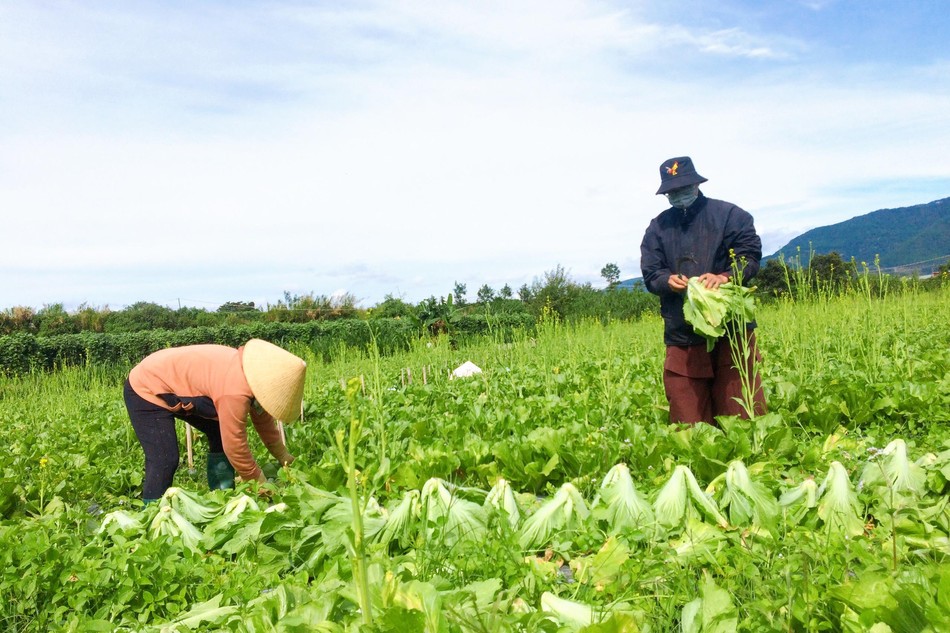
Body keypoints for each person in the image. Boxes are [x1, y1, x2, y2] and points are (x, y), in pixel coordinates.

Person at [639, 156, 767, 425]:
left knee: (741, 409)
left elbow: (749, 259)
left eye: (683, 189)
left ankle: (751, 463)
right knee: (688, 418)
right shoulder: (658, 228)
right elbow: (651, 273)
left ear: (697, 184)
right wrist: (666, 281)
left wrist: (725, 277)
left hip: (731, 326)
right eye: (672, 192)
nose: (679, 195)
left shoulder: (731, 216)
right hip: (682, 328)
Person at [123, 338, 307, 502]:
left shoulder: (254, 376)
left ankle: (221, 496)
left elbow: (263, 422)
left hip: (174, 383)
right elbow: (234, 445)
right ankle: (150, 518)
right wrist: (256, 480)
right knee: (165, 458)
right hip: (146, 387)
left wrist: (284, 457)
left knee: (219, 431)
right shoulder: (234, 391)